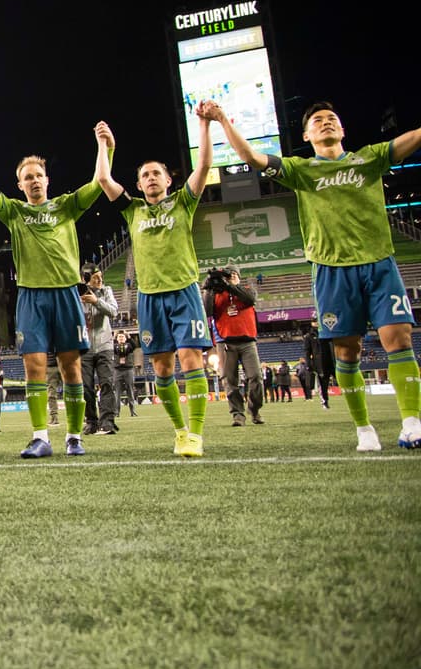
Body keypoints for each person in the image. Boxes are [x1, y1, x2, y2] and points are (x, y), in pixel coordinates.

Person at [204, 100, 421, 448]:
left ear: (343, 130)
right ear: (307, 134)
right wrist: (222, 123)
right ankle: (364, 429)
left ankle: (412, 423)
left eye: (332, 119)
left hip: (379, 263)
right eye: (317, 121)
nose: (326, 123)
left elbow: (412, 138)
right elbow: (252, 158)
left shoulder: (369, 158)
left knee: (400, 339)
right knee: (347, 352)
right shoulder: (302, 170)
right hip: (332, 270)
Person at [0, 123, 112, 457]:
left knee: (71, 369)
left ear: (46, 180)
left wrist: (104, 146)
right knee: (34, 367)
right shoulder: (14, 212)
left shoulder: (66, 206)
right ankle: (41, 438)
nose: (34, 180)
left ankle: (74, 437)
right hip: (31, 297)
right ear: (20, 184)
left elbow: (99, 183)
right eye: (28, 177)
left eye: (38, 175)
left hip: (65, 294)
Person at [98, 110, 213, 457]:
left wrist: (205, 125)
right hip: (149, 298)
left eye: (156, 173)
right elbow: (104, 180)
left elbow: (204, 165)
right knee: (162, 368)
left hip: (184, 291)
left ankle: (196, 433)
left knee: (191, 359)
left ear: (168, 180)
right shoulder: (133, 210)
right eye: (145, 175)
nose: (150, 178)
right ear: (138, 184)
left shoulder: (183, 202)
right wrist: (105, 144)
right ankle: (179, 431)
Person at [203, 265, 264, 427]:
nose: (231, 277)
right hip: (225, 341)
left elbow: (250, 299)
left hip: (247, 341)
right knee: (230, 381)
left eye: (234, 274)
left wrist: (231, 286)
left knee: (256, 377)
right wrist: (209, 288)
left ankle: (254, 408)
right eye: (228, 275)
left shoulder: (246, 289)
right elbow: (207, 311)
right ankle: (238, 414)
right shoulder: (217, 293)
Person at [81, 266, 120, 435]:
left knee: (107, 383)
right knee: (86, 387)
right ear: (86, 278)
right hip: (85, 347)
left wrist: (95, 301)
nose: (99, 280)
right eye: (95, 277)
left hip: (105, 345)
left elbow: (113, 311)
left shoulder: (106, 291)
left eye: (100, 277)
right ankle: (91, 421)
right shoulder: (77, 293)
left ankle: (107, 422)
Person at [113, 330, 138, 416]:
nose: (121, 338)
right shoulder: (114, 346)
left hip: (128, 369)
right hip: (117, 370)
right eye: (119, 337)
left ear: (125, 338)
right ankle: (116, 412)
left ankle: (133, 412)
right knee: (117, 393)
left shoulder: (129, 346)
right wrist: (114, 337)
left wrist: (129, 337)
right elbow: (109, 346)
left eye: (122, 337)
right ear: (117, 338)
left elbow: (135, 346)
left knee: (130, 391)